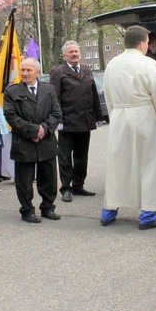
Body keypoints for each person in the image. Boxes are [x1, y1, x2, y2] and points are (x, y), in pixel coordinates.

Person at [101, 26, 156, 229]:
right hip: (145, 118)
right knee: (150, 165)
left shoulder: (112, 65)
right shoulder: (148, 63)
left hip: (120, 117)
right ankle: (148, 215)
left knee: (119, 165)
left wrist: (116, 119)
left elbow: (108, 97)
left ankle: (109, 211)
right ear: (143, 43)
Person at [3, 58, 62, 223]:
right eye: (23, 70)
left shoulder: (49, 89)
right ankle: (27, 210)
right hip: (24, 142)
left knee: (49, 178)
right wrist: (33, 131)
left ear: (37, 72)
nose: (25, 73)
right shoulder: (12, 92)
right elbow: (11, 116)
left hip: (46, 142)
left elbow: (56, 113)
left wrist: (44, 129)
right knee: (24, 181)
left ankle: (48, 208)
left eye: (29, 70)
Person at [49, 41, 103, 203]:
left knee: (82, 156)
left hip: (84, 121)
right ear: (65, 55)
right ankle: (66, 188)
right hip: (67, 122)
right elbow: (55, 97)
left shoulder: (86, 70)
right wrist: (57, 120)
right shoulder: (58, 72)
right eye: (71, 52)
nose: (74, 54)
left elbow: (94, 94)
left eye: (76, 52)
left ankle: (79, 185)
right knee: (65, 157)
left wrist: (98, 116)